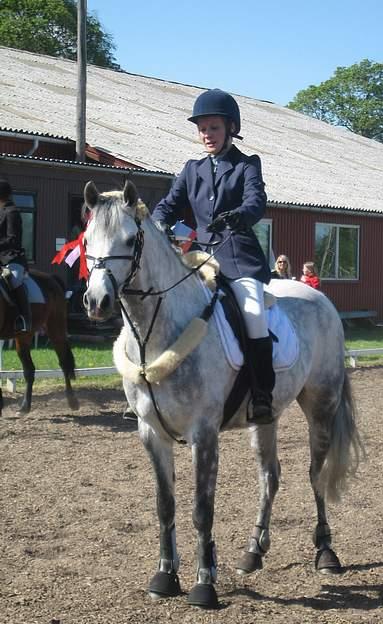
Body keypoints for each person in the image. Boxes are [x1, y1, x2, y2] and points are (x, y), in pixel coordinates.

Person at [152, 88, 274, 425]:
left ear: (230, 128)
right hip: (201, 259)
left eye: (214, 128)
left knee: (252, 312)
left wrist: (240, 216)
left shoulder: (247, 165)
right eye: (202, 129)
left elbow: (256, 201)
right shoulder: (191, 169)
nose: (207, 134)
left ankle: (262, 394)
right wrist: (158, 220)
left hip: (238, 257)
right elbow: (169, 203)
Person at [0, 179, 31, 332]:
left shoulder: (12, 212)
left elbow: (13, 239)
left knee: (12, 279)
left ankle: (24, 319)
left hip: (13, 258)